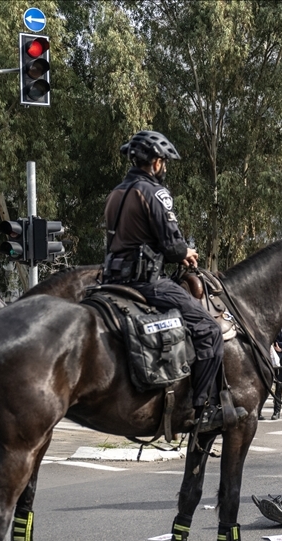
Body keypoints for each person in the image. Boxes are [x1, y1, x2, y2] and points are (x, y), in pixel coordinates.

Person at [104, 130, 244, 434]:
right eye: (164, 162)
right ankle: (202, 409)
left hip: (111, 280)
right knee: (209, 331)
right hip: (147, 282)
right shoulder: (155, 193)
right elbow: (172, 244)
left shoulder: (115, 193)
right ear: (155, 163)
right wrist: (185, 252)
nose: (164, 167)